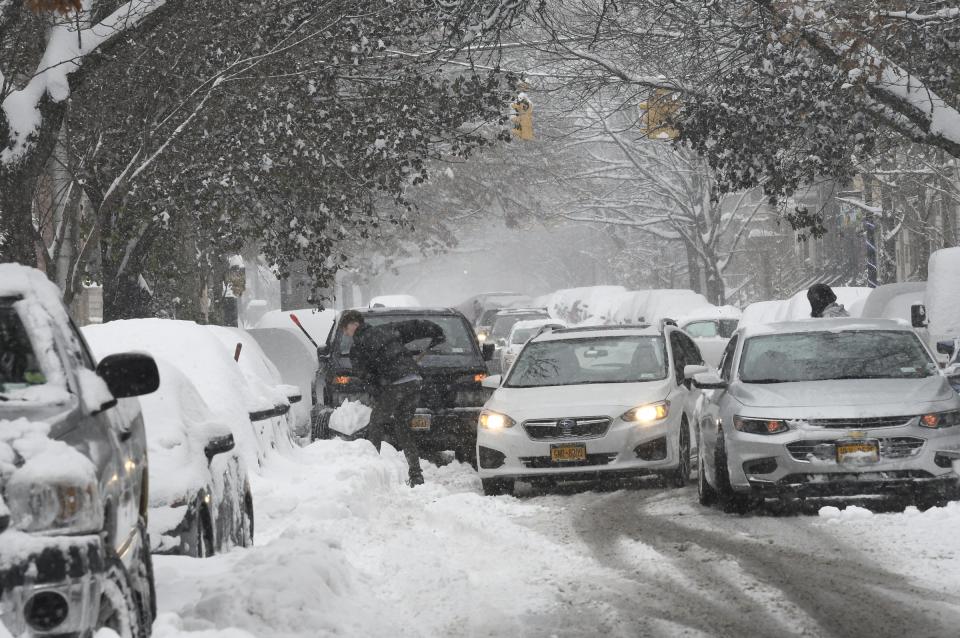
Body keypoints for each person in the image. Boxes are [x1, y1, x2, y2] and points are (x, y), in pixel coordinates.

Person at [339, 310, 445, 487]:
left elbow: (365, 376)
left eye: (345, 329)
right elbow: (414, 326)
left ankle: (373, 473)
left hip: (396, 384)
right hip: (415, 380)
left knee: (376, 423)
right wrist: (436, 331)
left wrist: (377, 393)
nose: (345, 333)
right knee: (403, 428)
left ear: (354, 324)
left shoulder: (358, 347)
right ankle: (416, 475)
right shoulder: (386, 330)